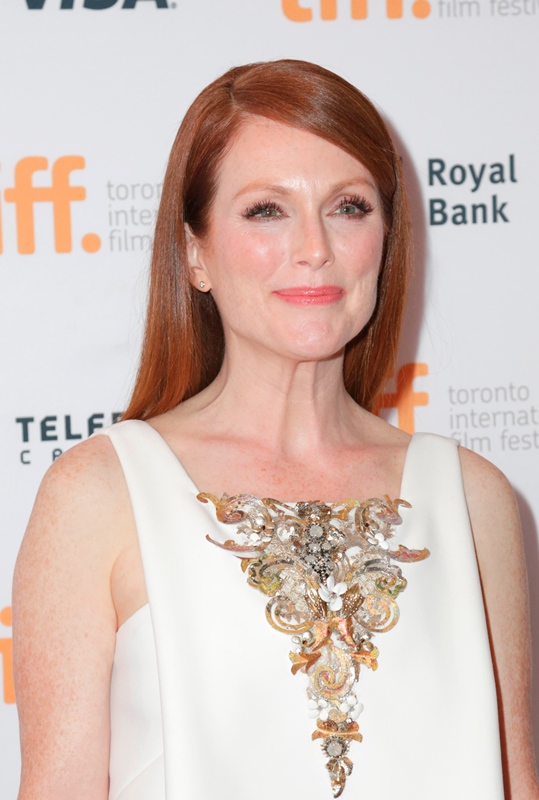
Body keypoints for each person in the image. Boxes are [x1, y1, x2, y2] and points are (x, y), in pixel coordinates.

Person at [12, 60, 538, 800]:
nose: (314, 247)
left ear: (386, 240)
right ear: (194, 252)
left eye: (348, 206)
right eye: (266, 210)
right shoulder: (97, 493)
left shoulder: (474, 499)